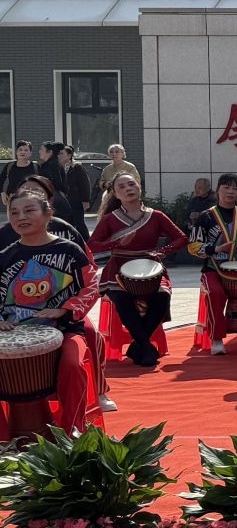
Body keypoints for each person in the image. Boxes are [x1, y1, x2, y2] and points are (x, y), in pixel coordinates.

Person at [0, 189, 101, 440]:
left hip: (65, 329)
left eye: (29, 210)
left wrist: (65, 309)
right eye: (14, 212)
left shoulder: (69, 250)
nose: (21, 217)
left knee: (73, 366)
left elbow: (91, 286)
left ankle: (71, 434)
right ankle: (3, 441)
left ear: (48, 214)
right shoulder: (5, 257)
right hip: (14, 333)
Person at [88, 172, 187, 377]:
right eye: (122, 187)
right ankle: (146, 347)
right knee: (123, 300)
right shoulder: (110, 219)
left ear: (139, 187)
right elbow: (92, 245)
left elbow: (181, 238)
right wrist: (116, 243)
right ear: (116, 194)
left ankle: (138, 345)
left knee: (162, 297)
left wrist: (162, 252)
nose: (128, 189)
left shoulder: (156, 216)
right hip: (118, 270)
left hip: (151, 266)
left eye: (131, 184)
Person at [187, 173, 237, 355]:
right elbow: (193, 246)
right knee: (215, 293)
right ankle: (217, 339)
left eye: (235, 188)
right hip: (214, 268)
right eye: (226, 187)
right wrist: (216, 249)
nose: (231, 191)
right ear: (218, 190)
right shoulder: (206, 217)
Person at [0, 176, 84, 249]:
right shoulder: (4, 233)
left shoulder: (66, 230)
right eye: (24, 192)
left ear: (50, 201)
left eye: (36, 192)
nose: (29, 197)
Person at [96, 145, 138, 214]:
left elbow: (136, 181)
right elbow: (101, 182)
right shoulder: (107, 169)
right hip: (110, 199)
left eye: (117, 152)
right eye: (111, 152)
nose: (114, 154)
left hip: (126, 198)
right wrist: (106, 184)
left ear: (122, 154)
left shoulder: (130, 167)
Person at [58, 146, 91, 233]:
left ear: (69, 155)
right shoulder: (58, 167)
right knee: (66, 223)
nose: (59, 156)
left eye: (61, 153)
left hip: (75, 200)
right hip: (64, 200)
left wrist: (85, 200)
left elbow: (84, 184)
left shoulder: (77, 167)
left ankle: (86, 240)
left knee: (79, 223)